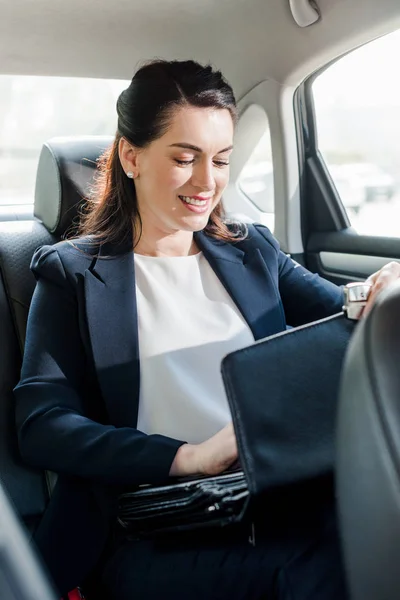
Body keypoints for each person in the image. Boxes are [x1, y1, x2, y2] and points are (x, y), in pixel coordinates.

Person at [14, 59, 400, 600]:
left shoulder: (253, 251)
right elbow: (42, 423)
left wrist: (385, 289)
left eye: (220, 160)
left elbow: (349, 321)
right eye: (184, 158)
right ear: (131, 156)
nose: (207, 182)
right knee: (326, 569)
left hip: (271, 496)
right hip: (152, 525)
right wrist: (187, 457)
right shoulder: (72, 273)